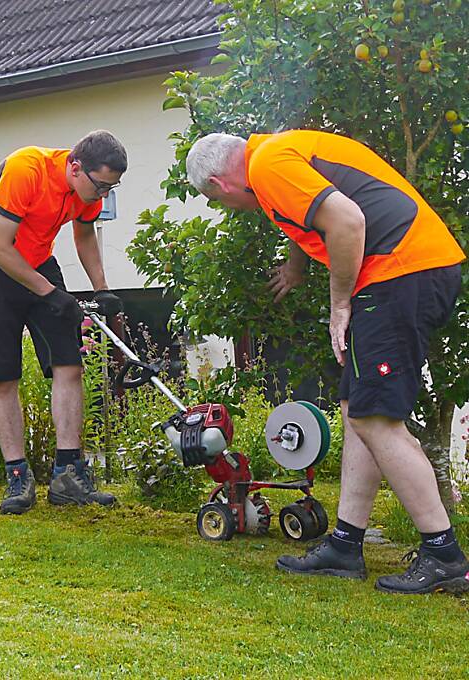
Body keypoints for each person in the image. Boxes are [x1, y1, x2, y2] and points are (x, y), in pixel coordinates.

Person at [186, 130, 468, 595]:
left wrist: (340, 304)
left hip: (398, 271)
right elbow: (312, 216)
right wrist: (296, 268)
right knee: (357, 410)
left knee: (378, 420)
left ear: (218, 184)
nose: (227, 206)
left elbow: (348, 222)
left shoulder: (269, 165)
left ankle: (444, 555)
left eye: (216, 200)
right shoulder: (274, 158)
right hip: (407, 269)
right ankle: (345, 545)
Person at [0, 130, 126, 515]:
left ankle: (68, 474)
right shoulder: (26, 169)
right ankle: (17, 477)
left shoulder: (84, 191)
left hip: (35, 263)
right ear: (75, 166)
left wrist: (102, 290)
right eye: (100, 186)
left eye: (110, 189)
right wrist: (50, 293)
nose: (101, 196)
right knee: (3, 375)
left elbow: (83, 235)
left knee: (69, 362)